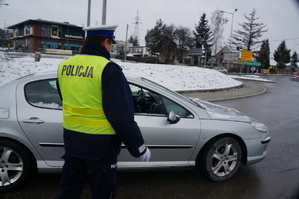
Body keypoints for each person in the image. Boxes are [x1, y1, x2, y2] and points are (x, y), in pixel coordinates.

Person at [56, 25, 151, 199]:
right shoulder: (108, 69)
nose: (111, 48)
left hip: (72, 143)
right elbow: (121, 116)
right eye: (111, 44)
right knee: (103, 194)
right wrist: (139, 148)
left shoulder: (64, 66)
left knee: (68, 191)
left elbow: (65, 98)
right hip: (100, 149)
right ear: (105, 42)